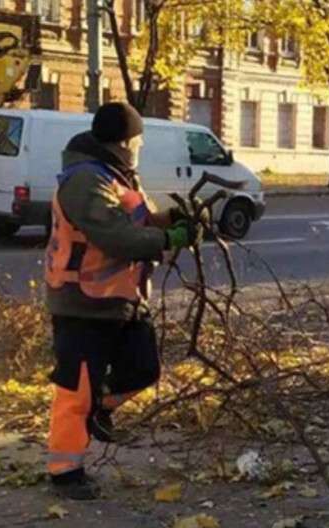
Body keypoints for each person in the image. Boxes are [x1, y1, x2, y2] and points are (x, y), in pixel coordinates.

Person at [43, 102, 196, 500]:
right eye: (139, 139)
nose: (141, 146)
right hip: (81, 303)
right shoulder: (84, 180)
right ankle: (65, 470)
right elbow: (115, 236)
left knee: (143, 369)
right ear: (126, 141)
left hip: (119, 298)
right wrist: (167, 240)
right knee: (75, 387)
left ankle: (101, 408)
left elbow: (137, 218)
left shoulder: (117, 175)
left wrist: (172, 220)